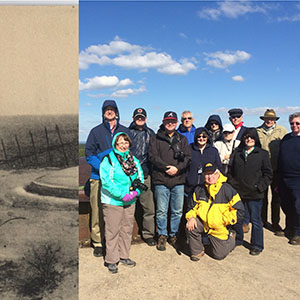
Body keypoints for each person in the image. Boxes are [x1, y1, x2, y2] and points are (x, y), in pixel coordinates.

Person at [85, 100, 133, 257]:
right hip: (98, 178)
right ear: (103, 112)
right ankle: (98, 242)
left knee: (117, 210)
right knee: (97, 209)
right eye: (107, 109)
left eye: (112, 109)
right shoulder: (95, 131)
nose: (109, 111)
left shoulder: (124, 131)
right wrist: (106, 169)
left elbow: (129, 153)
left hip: (120, 181)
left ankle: (116, 241)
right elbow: (89, 154)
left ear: (117, 112)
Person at [100, 132, 144, 273]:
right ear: (115, 144)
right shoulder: (108, 160)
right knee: (113, 230)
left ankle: (124, 256)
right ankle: (112, 260)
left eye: (126, 142)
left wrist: (136, 192)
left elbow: (140, 177)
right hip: (113, 201)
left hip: (130, 200)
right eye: (120, 142)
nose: (124, 145)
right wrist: (121, 195)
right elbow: (106, 181)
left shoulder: (134, 160)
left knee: (126, 228)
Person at [149, 111, 191, 251]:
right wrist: (167, 168)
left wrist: (177, 169)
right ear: (163, 121)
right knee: (161, 210)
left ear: (177, 122)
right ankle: (162, 235)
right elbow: (153, 157)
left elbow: (187, 158)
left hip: (178, 180)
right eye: (168, 121)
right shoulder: (155, 138)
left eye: (173, 121)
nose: (170, 123)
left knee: (177, 211)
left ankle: (173, 235)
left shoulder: (182, 139)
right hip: (161, 179)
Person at [227, 128, 272, 255]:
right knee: (239, 218)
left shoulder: (262, 154)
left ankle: (257, 245)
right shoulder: (238, 152)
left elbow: (268, 174)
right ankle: (239, 239)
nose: (249, 139)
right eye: (247, 137)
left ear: (256, 139)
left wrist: (260, 186)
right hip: (239, 192)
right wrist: (233, 185)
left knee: (256, 220)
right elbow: (231, 171)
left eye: (252, 137)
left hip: (255, 193)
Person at [186, 163, 244, 261]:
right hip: (204, 224)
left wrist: (222, 220)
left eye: (212, 174)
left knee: (219, 255)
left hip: (219, 227)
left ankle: (231, 238)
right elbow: (191, 207)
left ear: (218, 174)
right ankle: (197, 251)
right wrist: (191, 217)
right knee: (191, 225)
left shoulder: (227, 189)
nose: (210, 177)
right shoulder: (198, 189)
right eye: (207, 174)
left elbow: (240, 211)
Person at [256, 109, 288, 235]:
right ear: (263, 119)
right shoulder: (258, 131)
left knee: (276, 197)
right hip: (262, 170)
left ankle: (275, 222)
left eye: (272, 119)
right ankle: (262, 220)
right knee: (262, 196)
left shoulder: (282, 131)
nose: (269, 121)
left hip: (276, 169)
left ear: (275, 120)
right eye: (267, 118)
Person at [129, 108, 156, 246]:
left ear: (146, 118)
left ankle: (148, 234)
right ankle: (125, 235)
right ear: (133, 117)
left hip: (145, 176)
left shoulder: (150, 133)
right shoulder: (127, 133)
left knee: (148, 208)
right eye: (138, 117)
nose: (140, 119)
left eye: (142, 117)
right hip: (129, 177)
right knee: (126, 207)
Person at [185, 127, 223, 211]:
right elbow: (184, 165)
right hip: (190, 186)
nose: (201, 138)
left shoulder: (213, 150)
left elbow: (219, 167)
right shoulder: (189, 148)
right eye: (199, 136)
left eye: (204, 136)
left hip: (207, 187)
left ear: (207, 138)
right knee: (189, 210)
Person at [278, 112, 300, 245]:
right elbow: (281, 158)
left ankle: (298, 232)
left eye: (298, 123)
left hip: (298, 179)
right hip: (284, 177)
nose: (295, 125)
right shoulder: (286, 138)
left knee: (298, 206)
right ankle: (289, 228)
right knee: (286, 205)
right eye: (292, 123)